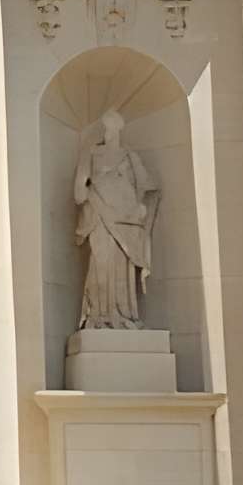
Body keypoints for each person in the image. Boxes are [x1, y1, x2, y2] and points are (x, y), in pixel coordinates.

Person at [73, 109, 158, 331]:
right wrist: (94, 190)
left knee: (122, 270)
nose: (110, 130)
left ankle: (124, 314)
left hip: (126, 222)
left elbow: (146, 188)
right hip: (100, 217)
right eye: (107, 125)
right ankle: (99, 315)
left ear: (119, 128)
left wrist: (139, 207)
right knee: (101, 264)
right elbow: (79, 192)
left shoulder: (130, 156)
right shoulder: (91, 154)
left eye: (114, 125)